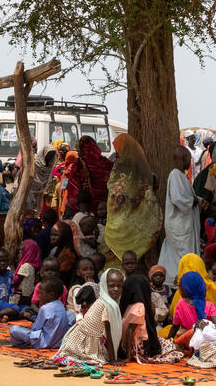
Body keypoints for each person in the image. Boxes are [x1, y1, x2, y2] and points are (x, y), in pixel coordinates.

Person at [102, 134, 162, 267]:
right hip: (133, 219)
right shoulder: (143, 167)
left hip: (122, 219)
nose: (116, 153)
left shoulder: (122, 166)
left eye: (117, 149)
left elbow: (114, 188)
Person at [57, 268, 124, 363]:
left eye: (119, 286)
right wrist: (113, 360)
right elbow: (108, 334)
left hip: (88, 339)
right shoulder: (105, 305)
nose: (116, 289)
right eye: (112, 286)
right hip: (82, 344)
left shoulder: (108, 302)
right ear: (104, 286)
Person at [157, 146, 200, 270]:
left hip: (183, 225)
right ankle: (180, 279)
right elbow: (178, 199)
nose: (190, 162)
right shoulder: (175, 175)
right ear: (184, 158)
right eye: (189, 159)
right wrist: (193, 200)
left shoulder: (181, 176)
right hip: (180, 227)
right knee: (182, 256)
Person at [10, 277, 74, 347]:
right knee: (70, 315)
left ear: (51, 295)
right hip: (59, 343)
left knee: (14, 329)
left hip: (44, 342)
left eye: (41, 293)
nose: (38, 295)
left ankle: (23, 343)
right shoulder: (61, 305)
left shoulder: (44, 309)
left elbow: (35, 329)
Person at [167, 270, 216, 342]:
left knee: (180, 333)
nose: (179, 289)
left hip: (187, 341)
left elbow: (174, 327)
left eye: (180, 286)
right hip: (205, 342)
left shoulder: (181, 304)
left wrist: (168, 342)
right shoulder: (209, 305)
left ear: (187, 288)